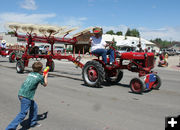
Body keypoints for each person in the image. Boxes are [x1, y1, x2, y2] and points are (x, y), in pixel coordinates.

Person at [6, 61, 48, 130]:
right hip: (26, 97)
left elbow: (37, 77)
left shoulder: (30, 73)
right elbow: (45, 84)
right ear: (41, 69)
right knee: (22, 114)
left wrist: (42, 74)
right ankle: (10, 128)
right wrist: (45, 76)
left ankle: (32, 122)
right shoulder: (40, 77)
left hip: (21, 94)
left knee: (34, 107)